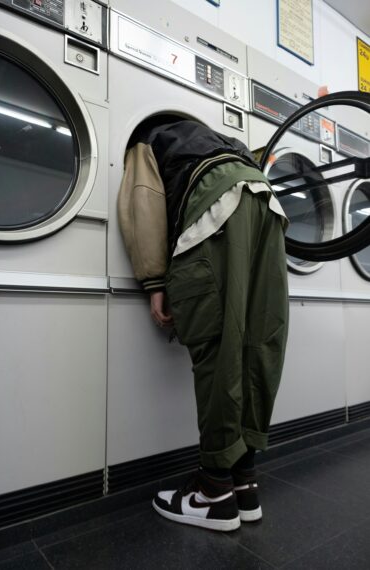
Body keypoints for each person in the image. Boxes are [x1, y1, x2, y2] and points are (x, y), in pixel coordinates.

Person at [118, 116, 289, 532]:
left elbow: (144, 200)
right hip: (267, 205)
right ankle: (243, 482)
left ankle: (213, 493)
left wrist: (155, 280)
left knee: (220, 352)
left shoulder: (151, 137)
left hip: (216, 204)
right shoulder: (226, 140)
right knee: (257, 346)